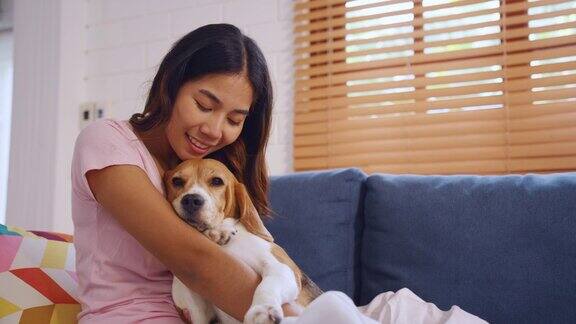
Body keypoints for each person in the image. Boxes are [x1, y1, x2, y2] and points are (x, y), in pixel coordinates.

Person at [71, 23, 487, 324]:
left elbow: (264, 261)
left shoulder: (221, 172)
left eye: (235, 118)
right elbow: (194, 262)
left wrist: (303, 309)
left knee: (411, 312)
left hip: (254, 309)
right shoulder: (108, 143)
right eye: (204, 104)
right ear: (170, 83)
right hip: (142, 316)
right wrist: (294, 317)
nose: (215, 130)